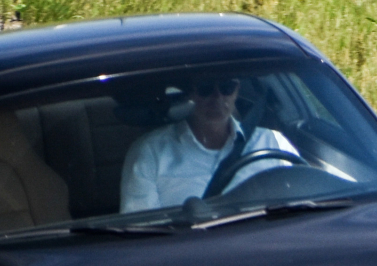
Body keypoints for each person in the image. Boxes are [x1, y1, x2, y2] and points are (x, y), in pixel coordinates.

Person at [117, 74, 298, 212]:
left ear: (237, 91)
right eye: (205, 88)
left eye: (227, 87)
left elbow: (304, 203)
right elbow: (142, 234)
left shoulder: (273, 143)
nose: (217, 97)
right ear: (190, 94)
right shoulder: (150, 152)